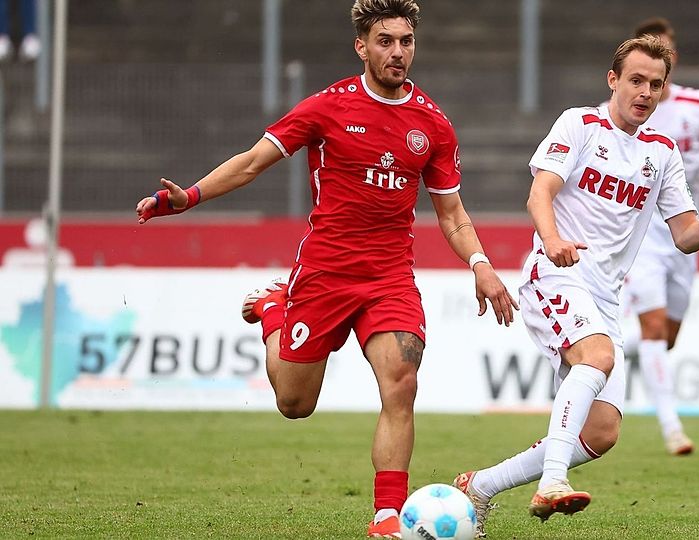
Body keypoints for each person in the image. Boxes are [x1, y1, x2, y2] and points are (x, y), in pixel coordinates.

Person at [135, 1, 519, 538]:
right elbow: (251, 162)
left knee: (401, 382)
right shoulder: (326, 107)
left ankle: (387, 515)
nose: (398, 52)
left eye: (406, 41)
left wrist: (480, 264)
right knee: (295, 404)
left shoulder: (432, 123)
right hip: (325, 272)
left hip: (389, 277)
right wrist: (189, 197)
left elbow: (451, 214)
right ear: (361, 46)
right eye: (385, 41)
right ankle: (274, 311)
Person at [454, 35, 699, 537]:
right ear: (614, 80)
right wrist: (553, 238)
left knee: (602, 433)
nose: (645, 92)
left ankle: (481, 485)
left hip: (605, 294)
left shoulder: (662, 152)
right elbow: (540, 191)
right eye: (636, 81)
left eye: (655, 85)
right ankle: (552, 481)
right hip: (554, 272)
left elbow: (683, 235)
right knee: (596, 358)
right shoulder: (579, 124)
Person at [621, 17, 699, 456]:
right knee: (653, 327)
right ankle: (672, 428)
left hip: (689, 229)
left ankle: (614, 346)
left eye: (664, 56)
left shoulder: (696, 103)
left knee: (665, 337)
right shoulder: (622, 109)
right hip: (643, 234)